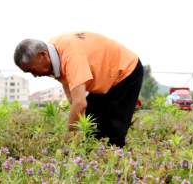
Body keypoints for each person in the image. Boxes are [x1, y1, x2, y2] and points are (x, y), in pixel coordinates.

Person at [14, 31, 143, 147]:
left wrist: (72, 139)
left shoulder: (72, 57)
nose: (35, 75)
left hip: (126, 72)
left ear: (42, 55)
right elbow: (68, 86)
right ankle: (91, 161)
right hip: (104, 79)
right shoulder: (53, 51)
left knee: (113, 131)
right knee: (91, 120)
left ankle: (115, 165)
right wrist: (75, 115)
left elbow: (80, 103)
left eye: (32, 70)